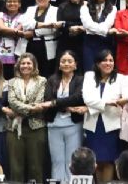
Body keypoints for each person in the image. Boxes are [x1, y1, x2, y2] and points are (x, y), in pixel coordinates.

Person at [83, 50, 124, 182]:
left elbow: (118, 100)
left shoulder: (120, 79)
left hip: (110, 125)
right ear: (97, 63)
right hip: (93, 124)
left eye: (111, 60)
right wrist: (107, 102)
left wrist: (100, 103)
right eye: (105, 60)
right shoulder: (89, 76)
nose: (108, 63)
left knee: (108, 160)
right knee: (96, 161)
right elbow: (87, 99)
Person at [6, 52, 47, 183]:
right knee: (16, 167)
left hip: (36, 127)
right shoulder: (11, 82)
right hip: (14, 128)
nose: (25, 66)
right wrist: (30, 108)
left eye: (29, 63)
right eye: (23, 63)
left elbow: (39, 101)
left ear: (34, 65)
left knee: (36, 167)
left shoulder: (42, 81)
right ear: (18, 66)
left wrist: (19, 110)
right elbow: (12, 101)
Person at [44, 50, 85, 181]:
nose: (66, 64)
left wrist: (56, 103)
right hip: (54, 124)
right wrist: (67, 107)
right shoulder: (52, 80)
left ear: (75, 65)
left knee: (71, 161)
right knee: (57, 161)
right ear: (59, 64)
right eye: (63, 61)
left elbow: (78, 98)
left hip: (73, 124)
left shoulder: (80, 80)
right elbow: (47, 99)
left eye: (69, 61)